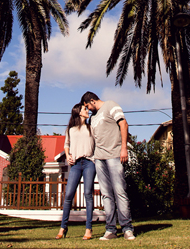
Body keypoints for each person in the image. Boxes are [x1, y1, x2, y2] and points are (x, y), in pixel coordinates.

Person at [81, 91, 135, 241]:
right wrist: (84, 117)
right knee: (106, 195)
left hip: (114, 155)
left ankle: (127, 228)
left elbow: (123, 123)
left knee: (120, 192)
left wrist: (123, 148)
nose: (88, 109)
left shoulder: (111, 105)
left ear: (92, 101)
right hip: (99, 158)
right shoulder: (92, 119)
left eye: (87, 106)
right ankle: (110, 229)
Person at [56, 103, 96, 240]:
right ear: (79, 112)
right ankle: (63, 227)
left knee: (88, 195)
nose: (87, 110)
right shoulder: (71, 130)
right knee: (68, 195)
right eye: (85, 109)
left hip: (89, 163)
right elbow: (66, 145)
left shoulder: (92, 128)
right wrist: (67, 156)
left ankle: (88, 229)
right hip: (76, 164)